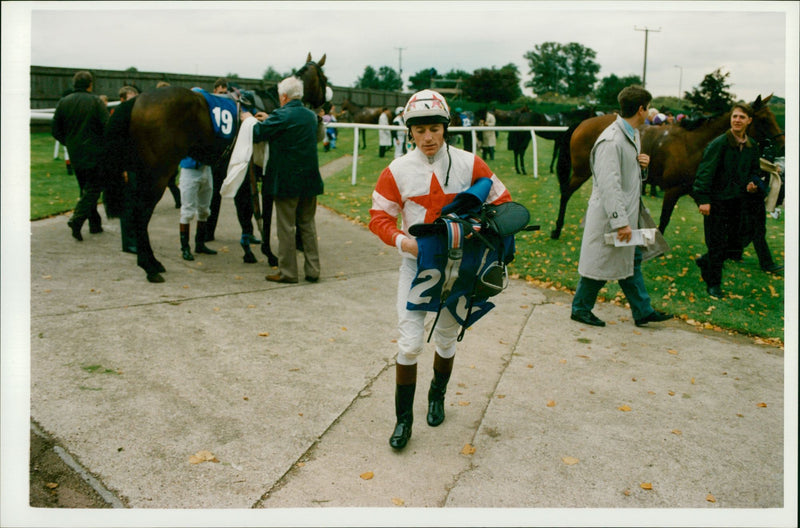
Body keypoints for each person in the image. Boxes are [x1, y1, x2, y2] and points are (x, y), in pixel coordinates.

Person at [369, 89, 512, 450]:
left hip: (461, 271)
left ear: (445, 127)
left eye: (434, 128)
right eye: (420, 131)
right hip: (415, 267)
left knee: (447, 339)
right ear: (410, 132)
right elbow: (379, 217)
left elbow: (504, 204)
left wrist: (480, 233)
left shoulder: (469, 163)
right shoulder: (397, 170)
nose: (428, 137)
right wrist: (407, 243)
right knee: (410, 343)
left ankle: (437, 397)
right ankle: (404, 421)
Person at [570, 85, 672, 328]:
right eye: (648, 108)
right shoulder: (611, 140)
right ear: (641, 109)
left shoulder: (632, 134)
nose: (649, 113)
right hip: (613, 214)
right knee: (601, 261)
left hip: (627, 211)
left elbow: (625, 176)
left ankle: (643, 310)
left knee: (631, 259)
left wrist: (640, 166)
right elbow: (609, 185)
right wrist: (620, 222)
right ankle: (580, 308)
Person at [692, 102, 782, 297]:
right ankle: (713, 285)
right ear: (731, 119)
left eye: (742, 117)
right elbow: (704, 173)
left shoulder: (751, 147)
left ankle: (707, 261)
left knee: (734, 246)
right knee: (716, 244)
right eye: (735, 117)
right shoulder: (719, 144)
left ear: (749, 121)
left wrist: (752, 182)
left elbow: (754, 172)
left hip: (737, 203)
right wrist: (703, 200)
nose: (737, 120)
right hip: (716, 202)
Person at [242, 76, 323, 283]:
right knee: (308, 225)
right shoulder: (310, 116)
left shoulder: (281, 115)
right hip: (310, 179)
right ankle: (313, 270)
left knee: (286, 227)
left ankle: (288, 272)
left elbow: (259, 133)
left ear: (284, 96)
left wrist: (248, 120)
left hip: (287, 181)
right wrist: (270, 117)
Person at [52, 70, 110, 241]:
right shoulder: (96, 102)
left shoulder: (64, 102)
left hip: (75, 153)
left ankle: (95, 224)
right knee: (93, 189)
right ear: (90, 84)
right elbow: (107, 126)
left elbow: (55, 130)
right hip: (95, 153)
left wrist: (69, 142)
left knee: (85, 188)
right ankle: (77, 220)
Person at [178, 153, 218, 261]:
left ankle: (200, 244)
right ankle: (185, 247)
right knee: (187, 211)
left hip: (206, 169)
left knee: (204, 210)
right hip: (190, 169)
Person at [116, 85, 141, 254]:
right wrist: (122, 169)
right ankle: (128, 242)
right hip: (125, 167)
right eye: (132, 99)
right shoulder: (119, 117)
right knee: (128, 206)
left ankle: (135, 239)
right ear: (123, 99)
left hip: (136, 166)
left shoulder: (135, 116)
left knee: (137, 204)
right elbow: (118, 146)